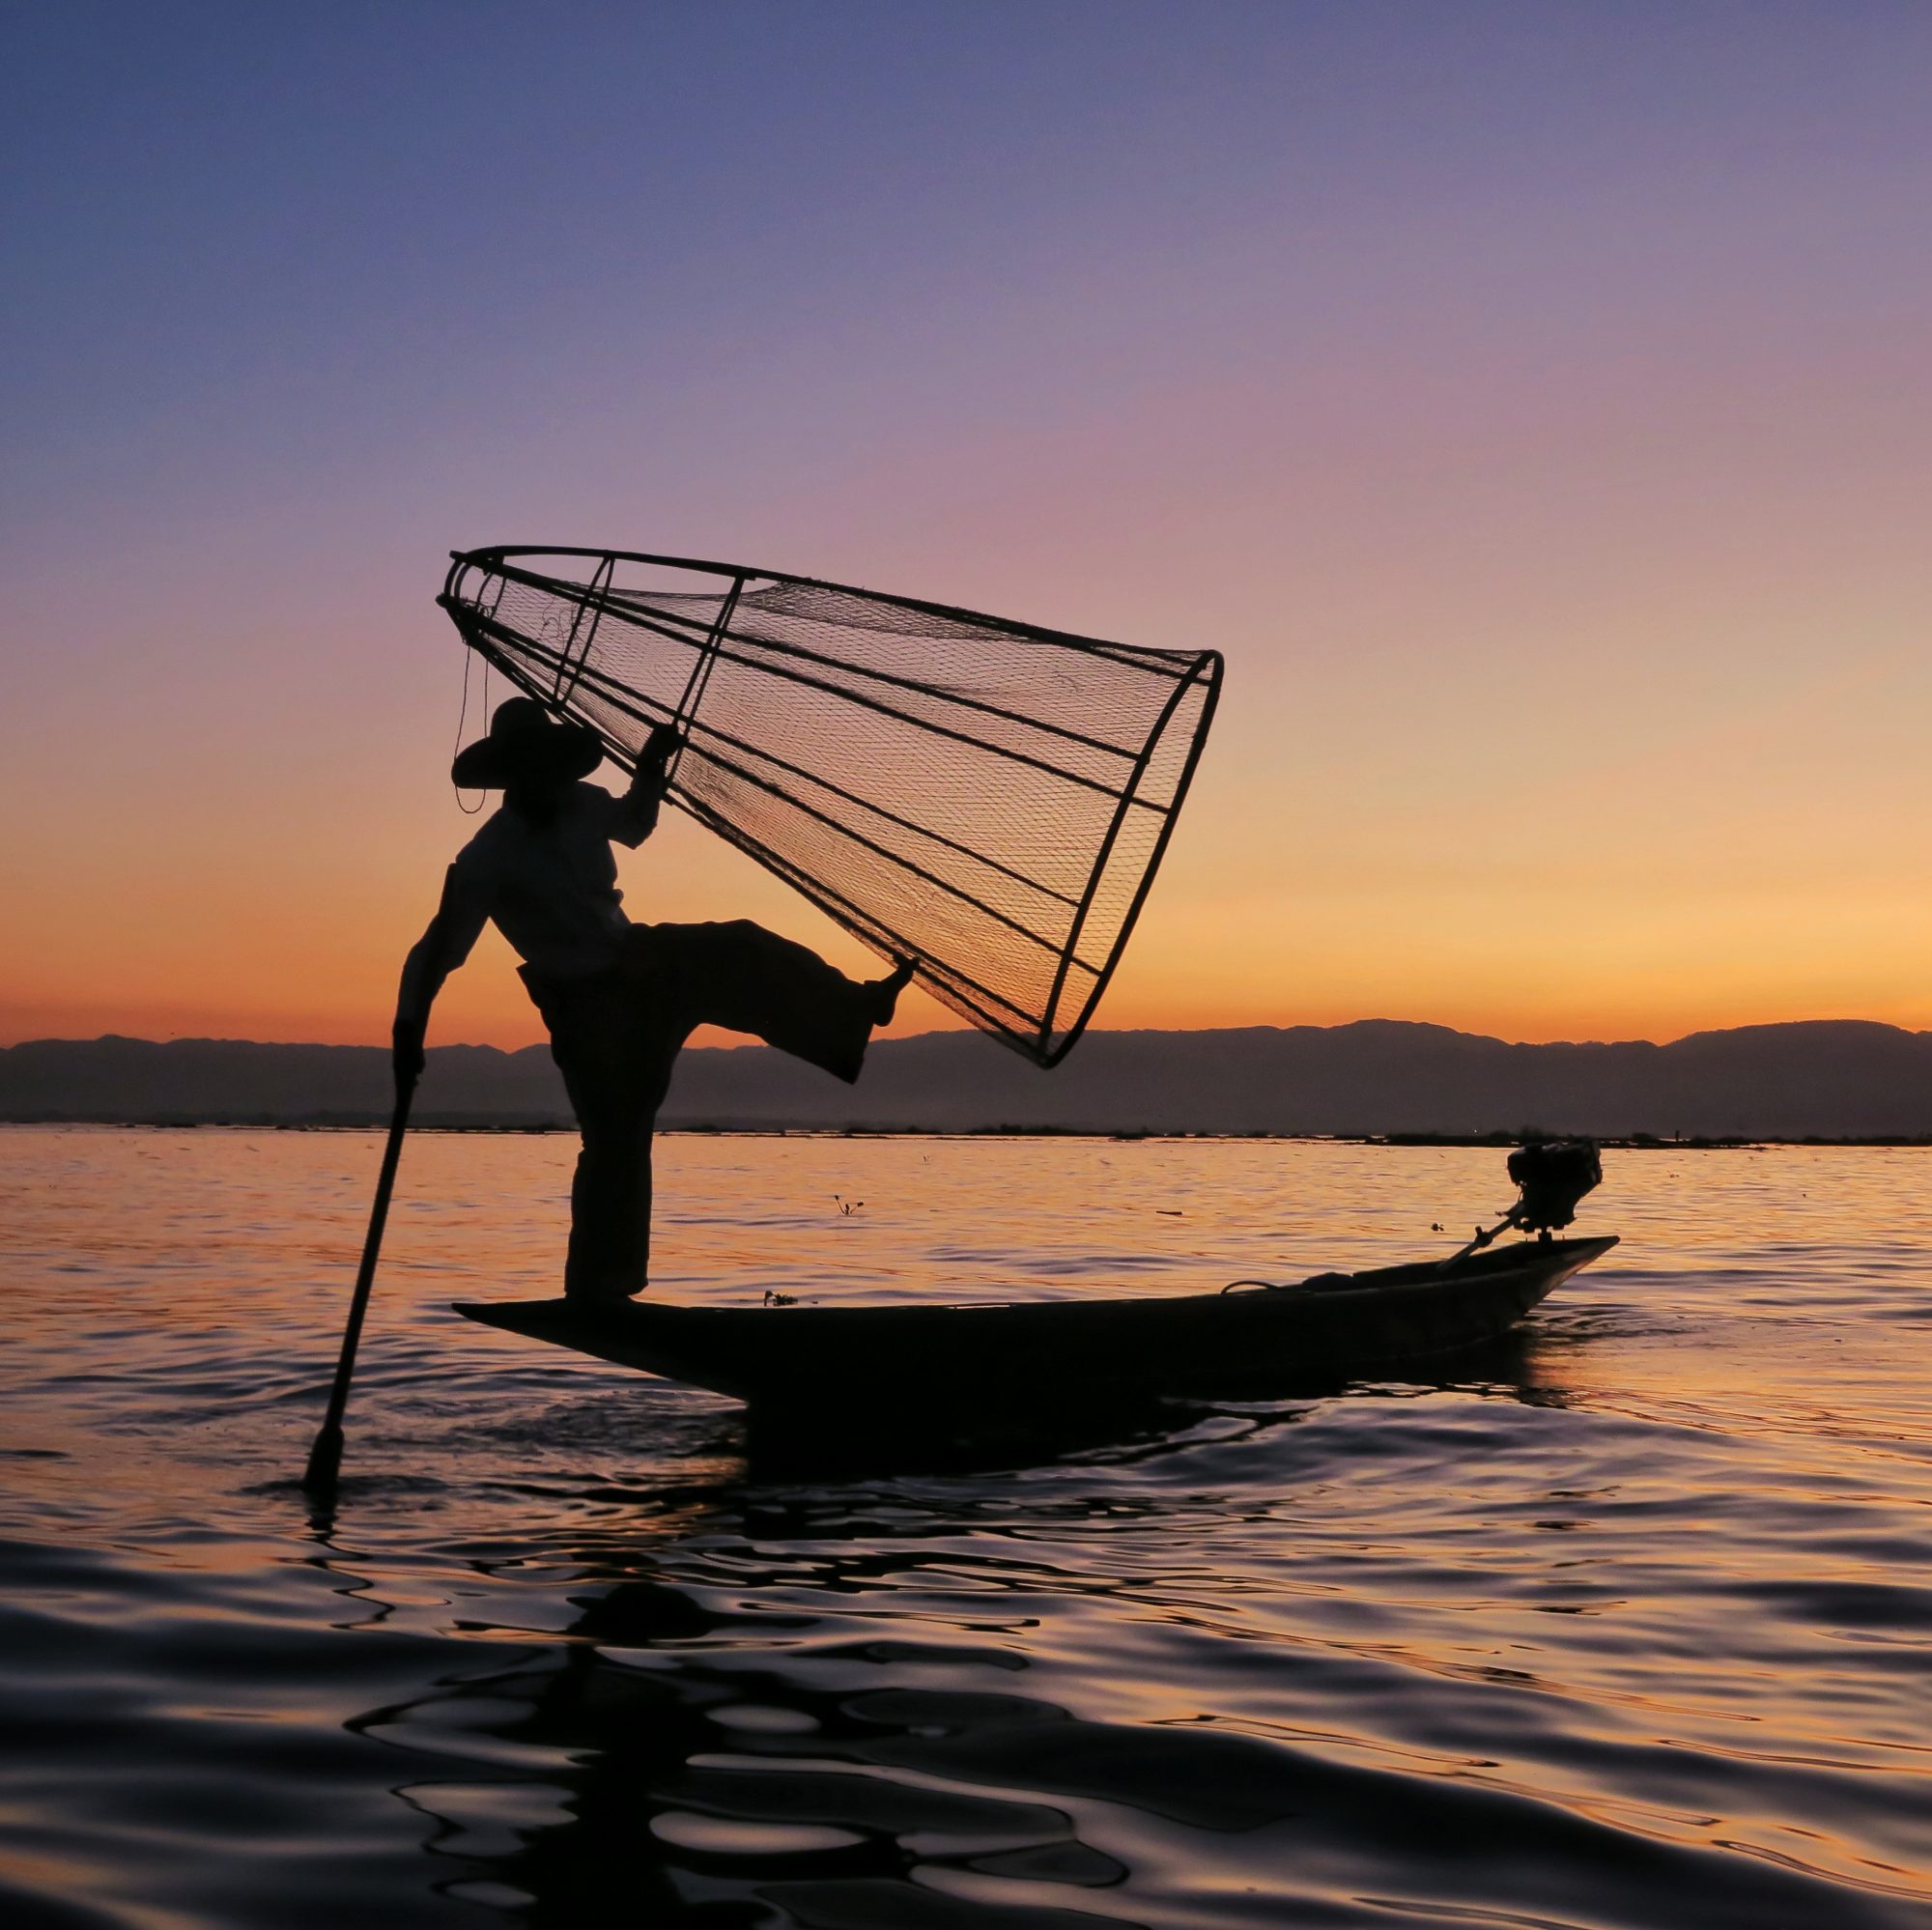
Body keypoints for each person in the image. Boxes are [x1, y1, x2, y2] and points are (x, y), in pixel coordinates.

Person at [393, 696, 913, 1303]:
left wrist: (650, 766)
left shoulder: (583, 804)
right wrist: (408, 1033)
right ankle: (598, 1290)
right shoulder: (486, 858)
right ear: (512, 774)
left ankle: (853, 1007)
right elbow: (436, 952)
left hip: (642, 962)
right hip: (588, 1009)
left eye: (552, 764)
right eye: (531, 767)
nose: (547, 778)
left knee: (741, 946)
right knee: (616, 1139)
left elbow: (635, 825)